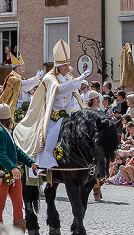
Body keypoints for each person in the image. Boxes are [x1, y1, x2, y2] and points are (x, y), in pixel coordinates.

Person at [14, 40, 89, 170]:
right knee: (49, 139)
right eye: (64, 65)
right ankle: (45, 165)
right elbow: (59, 91)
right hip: (53, 115)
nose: (67, 67)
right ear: (57, 66)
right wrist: (79, 80)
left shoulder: (70, 77)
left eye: (68, 64)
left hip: (69, 114)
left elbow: (74, 96)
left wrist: (76, 110)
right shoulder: (50, 77)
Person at [0, 103, 39, 232]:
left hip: (12, 172)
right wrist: (12, 167)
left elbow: (15, 150)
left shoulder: (6, 130)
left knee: (18, 202)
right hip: (1, 172)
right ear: (10, 118)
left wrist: (30, 162)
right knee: (0, 205)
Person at [0, 51, 44, 136]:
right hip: (16, 109)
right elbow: (24, 85)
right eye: (23, 67)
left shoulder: (19, 78)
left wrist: (36, 81)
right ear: (18, 67)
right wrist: (36, 79)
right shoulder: (13, 78)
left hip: (25, 108)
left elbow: (27, 87)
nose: (24, 69)